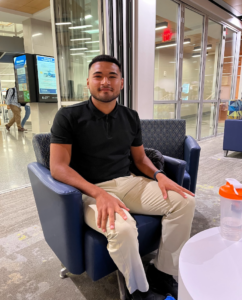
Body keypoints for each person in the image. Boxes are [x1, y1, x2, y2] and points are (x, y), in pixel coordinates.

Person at [50, 55, 195, 300]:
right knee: (124, 229)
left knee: (184, 201)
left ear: (122, 83)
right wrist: (98, 193)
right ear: (88, 82)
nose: (105, 81)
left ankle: (162, 272)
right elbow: (58, 167)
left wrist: (159, 175)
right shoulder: (68, 117)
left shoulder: (130, 116)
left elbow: (140, 160)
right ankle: (138, 290)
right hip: (88, 190)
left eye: (112, 76)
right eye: (98, 76)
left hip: (128, 182)